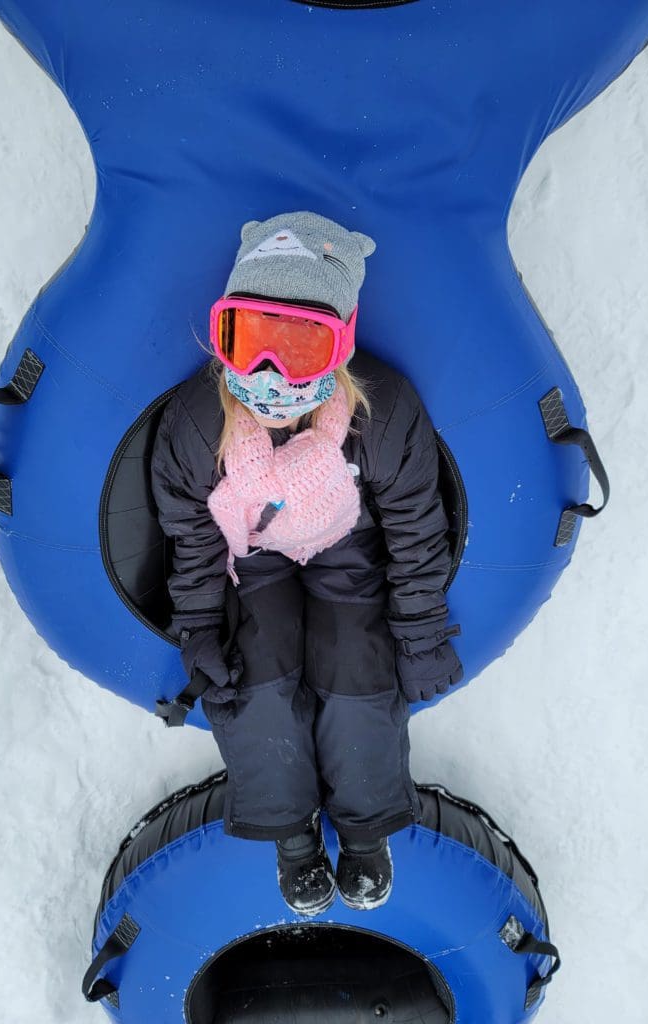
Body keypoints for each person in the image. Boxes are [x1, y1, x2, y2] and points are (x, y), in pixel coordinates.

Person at [151, 210, 463, 915]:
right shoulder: (204, 420)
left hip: (345, 540)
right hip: (252, 552)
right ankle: (292, 835)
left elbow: (415, 528)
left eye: (300, 343)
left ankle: (363, 828)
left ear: (341, 344)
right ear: (223, 331)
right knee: (254, 674)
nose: (269, 371)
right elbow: (191, 530)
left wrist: (420, 637)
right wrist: (199, 627)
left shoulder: (378, 414)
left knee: (356, 668)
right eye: (252, 338)